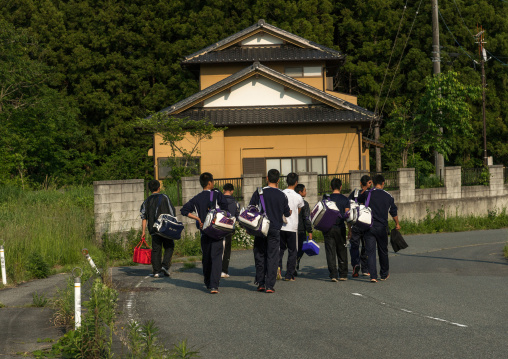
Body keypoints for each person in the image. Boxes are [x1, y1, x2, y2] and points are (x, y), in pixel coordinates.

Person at [181, 172, 229, 294]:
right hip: (217, 231)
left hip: (204, 232)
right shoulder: (217, 194)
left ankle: (208, 283)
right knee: (217, 257)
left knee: (206, 258)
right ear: (209, 183)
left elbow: (184, 210)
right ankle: (214, 286)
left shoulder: (197, 198)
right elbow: (226, 209)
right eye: (213, 181)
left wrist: (198, 219)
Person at [249, 169, 291, 293]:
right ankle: (270, 285)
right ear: (278, 180)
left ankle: (260, 283)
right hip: (275, 228)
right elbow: (287, 213)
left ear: (267, 178)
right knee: (273, 256)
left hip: (260, 228)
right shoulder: (282, 194)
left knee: (260, 254)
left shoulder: (259, 192)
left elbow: (251, 208)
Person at [364, 174, 401, 283]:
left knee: (370, 252)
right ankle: (384, 274)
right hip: (382, 227)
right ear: (383, 183)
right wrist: (397, 223)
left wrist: (366, 186)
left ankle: (373, 276)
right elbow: (393, 211)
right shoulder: (388, 196)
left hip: (368, 226)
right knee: (383, 251)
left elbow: (358, 197)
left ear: (373, 183)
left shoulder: (367, 193)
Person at [140, 179, 176, 278]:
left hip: (153, 229)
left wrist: (143, 231)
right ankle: (165, 265)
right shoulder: (165, 197)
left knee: (156, 249)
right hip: (165, 227)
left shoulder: (146, 201)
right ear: (159, 188)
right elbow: (172, 212)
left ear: (150, 189)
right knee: (169, 246)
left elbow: (144, 217)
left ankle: (156, 271)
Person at [278, 173, 304, 281]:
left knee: (280, 250)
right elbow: (299, 210)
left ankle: (277, 269)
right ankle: (289, 274)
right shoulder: (298, 196)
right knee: (293, 251)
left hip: (281, 226)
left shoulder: (280, 193)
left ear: (286, 181)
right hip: (292, 227)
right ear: (296, 182)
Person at [323, 178, 350, 282]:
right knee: (342, 250)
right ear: (341, 187)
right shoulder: (345, 199)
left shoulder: (326, 198)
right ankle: (343, 274)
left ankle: (333, 274)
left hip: (328, 227)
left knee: (330, 251)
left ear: (331, 187)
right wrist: (350, 230)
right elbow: (347, 216)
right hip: (340, 227)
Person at [347, 175, 372, 277]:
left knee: (354, 246)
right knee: (366, 246)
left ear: (361, 183)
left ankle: (355, 265)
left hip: (355, 223)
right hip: (366, 223)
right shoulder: (371, 194)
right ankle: (365, 269)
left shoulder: (355, 193)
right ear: (369, 183)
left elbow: (348, 205)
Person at [221, 183, 240, 278]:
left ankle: (215, 269)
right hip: (229, 228)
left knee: (218, 249)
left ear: (223, 190)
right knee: (227, 250)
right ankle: (224, 271)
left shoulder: (218, 201)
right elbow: (238, 216)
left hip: (218, 228)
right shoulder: (235, 203)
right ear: (232, 191)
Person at [294, 183, 313, 276]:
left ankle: (291, 266)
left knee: (292, 249)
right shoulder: (304, 204)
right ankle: (295, 265)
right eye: (305, 190)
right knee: (301, 249)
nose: (306, 192)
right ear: (300, 192)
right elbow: (306, 218)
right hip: (301, 230)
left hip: (290, 229)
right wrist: (310, 231)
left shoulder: (291, 201)